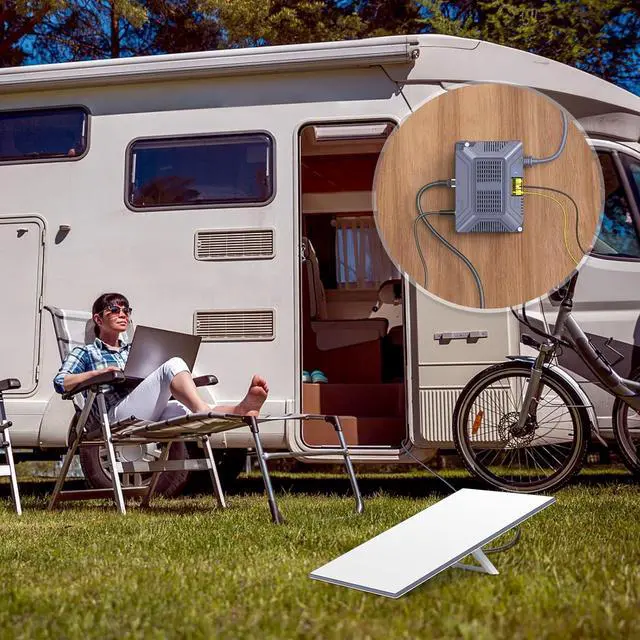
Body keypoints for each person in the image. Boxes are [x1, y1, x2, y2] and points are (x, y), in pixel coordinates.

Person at [53, 292, 269, 425]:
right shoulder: (86, 352)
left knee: (186, 409)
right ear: (98, 319)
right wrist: (97, 374)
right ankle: (203, 410)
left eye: (126, 310)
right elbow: (60, 382)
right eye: (114, 310)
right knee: (175, 364)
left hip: (145, 409)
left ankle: (240, 410)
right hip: (113, 415)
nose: (123, 314)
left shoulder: (134, 350)